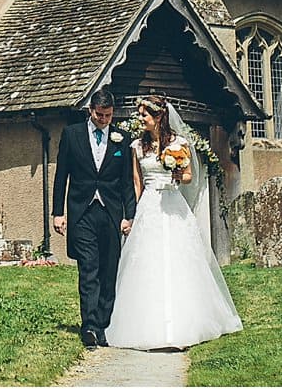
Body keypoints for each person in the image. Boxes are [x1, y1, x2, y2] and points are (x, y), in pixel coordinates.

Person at [104, 94, 242, 351]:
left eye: (145, 114)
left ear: (158, 117)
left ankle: (183, 325)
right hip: (149, 207)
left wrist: (177, 173)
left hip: (172, 202)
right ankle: (147, 326)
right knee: (148, 261)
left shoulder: (178, 144)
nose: (141, 119)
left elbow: (189, 176)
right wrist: (134, 214)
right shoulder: (136, 147)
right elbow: (137, 183)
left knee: (178, 259)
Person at [51, 90, 138, 347]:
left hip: (111, 212)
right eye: (99, 115)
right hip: (83, 211)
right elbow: (61, 176)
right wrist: (58, 213)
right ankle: (88, 326)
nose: (103, 120)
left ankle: (103, 325)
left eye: (108, 116)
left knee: (109, 270)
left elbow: (126, 183)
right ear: (91, 110)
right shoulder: (72, 135)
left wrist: (129, 216)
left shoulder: (122, 139)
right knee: (88, 267)